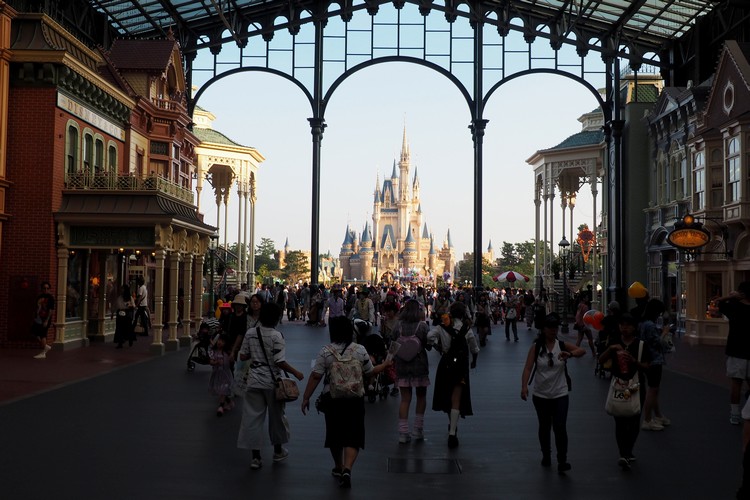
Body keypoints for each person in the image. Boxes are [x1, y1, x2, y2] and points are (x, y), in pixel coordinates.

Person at [300, 316, 392, 488]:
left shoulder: (325, 351)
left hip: (332, 398)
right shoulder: (360, 350)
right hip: (355, 398)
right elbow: (370, 372)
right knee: (353, 435)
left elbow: (316, 376)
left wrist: (306, 397)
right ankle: (348, 469)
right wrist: (386, 365)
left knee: (335, 434)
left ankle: (338, 465)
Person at [237, 302, 304, 470]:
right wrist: (296, 373)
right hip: (271, 382)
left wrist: (256, 354)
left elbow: (244, 355)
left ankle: (256, 458)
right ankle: (278, 450)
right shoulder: (277, 336)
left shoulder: (251, 333)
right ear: (276, 317)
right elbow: (279, 361)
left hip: (253, 380)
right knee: (276, 417)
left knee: (252, 419)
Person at [520, 312, 585, 473]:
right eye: (550, 328)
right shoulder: (536, 348)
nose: (553, 331)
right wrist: (524, 387)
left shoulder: (561, 345)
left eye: (555, 328)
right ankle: (546, 454)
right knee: (544, 426)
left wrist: (569, 354)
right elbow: (528, 367)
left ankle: (562, 460)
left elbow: (581, 351)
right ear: (543, 329)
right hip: (541, 395)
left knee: (560, 426)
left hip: (560, 393)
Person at [598, 313, 651, 471]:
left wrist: (634, 362)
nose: (624, 328)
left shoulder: (641, 345)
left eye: (628, 325)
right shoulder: (614, 342)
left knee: (634, 420)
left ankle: (628, 450)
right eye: (622, 324)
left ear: (634, 327)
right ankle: (624, 453)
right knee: (620, 421)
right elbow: (601, 360)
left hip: (636, 386)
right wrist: (611, 349)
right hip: (619, 386)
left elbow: (648, 366)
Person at [428, 301, 479, 448]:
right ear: (463, 314)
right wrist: (474, 361)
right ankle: (452, 431)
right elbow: (475, 349)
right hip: (460, 366)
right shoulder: (467, 329)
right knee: (456, 397)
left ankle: (451, 423)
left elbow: (430, 336)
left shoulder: (442, 327)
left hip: (446, 363)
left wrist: (438, 346)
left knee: (447, 395)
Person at [393, 299, 431, 443]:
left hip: (402, 365)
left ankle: (403, 433)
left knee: (405, 399)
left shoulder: (398, 326)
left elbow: (393, 343)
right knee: (421, 396)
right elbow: (428, 345)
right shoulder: (422, 326)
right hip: (419, 365)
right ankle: (418, 429)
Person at [715, 282, 750, 425]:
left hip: (736, 351)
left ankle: (734, 414)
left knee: (736, 384)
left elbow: (718, 302)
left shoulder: (734, 307)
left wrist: (730, 297)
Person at [639, 298, 671, 431]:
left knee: (653, 389)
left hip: (647, 359)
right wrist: (664, 333)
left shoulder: (643, 324)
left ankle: (658, 415)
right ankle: (647, 419)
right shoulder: (651, 325)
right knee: (653, 389)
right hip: (654, 360)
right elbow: (657, 342)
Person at [210, 333, 234, 416]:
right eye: (219, 340)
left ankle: (220, 407)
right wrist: (216, 362)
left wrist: (231, 358)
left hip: (226, 374)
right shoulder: (214, 352)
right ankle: (229, 401)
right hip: (217, 374)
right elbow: (211, 362)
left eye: (222, 341)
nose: (220, 342)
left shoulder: (227, 353)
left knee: (223, 389)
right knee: (221, 390)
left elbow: (232, 361)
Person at [32, 281, 55, 359]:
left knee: (43, 335)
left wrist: (46, 320)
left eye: (47, 288)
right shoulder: (39, 297)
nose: (46, 290)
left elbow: (51, 310)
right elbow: (37, 308)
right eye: (44, 288)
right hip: (38, 318)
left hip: (45, 319)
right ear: (42, 289)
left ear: (49, 289)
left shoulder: (51, 298)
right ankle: (45, 346)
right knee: (33, 332)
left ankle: (43, 352)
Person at [112, 284, 135, 349]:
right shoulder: (119, 297)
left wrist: (128, 305)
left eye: (123, 289)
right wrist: (112, 313)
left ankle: (130, 339)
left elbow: (133, 305)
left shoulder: (129, 297)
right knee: (119, 328)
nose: (121, 290)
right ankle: (120, 342)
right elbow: (116, 305)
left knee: (127, 328)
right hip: (120, 313)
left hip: (126, 314)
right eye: (121, 289)